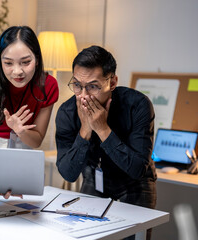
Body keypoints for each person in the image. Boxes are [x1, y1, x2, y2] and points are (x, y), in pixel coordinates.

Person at [55, 46, 156, 240]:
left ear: (112, 82)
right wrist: (85, 130)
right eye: (77, 85)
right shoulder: (67, 112)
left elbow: (137, 168)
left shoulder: (137, 105)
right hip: (94, 177)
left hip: (135, 183)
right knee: (87, 235)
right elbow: (68, 174)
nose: (83, 95)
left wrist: (102, 129)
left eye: (93, 86)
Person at [0, 26, 59, 198]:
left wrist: (21, 131)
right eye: (8, 63)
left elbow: (37, 140)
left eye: (26, 62)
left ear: (37, 59)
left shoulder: (48, 86)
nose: (18, 71)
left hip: (22, 142)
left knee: (19, 209)